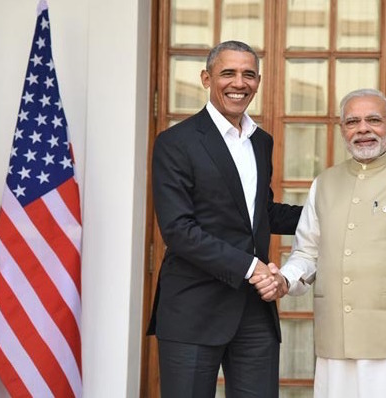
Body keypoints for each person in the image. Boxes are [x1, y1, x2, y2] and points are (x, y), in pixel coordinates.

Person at [252, 88, 386, 397]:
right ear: (342, 129)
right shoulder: (324, 183)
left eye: (374, 120)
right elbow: (307, 253)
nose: (363, 129)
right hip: (336, 349)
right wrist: (285, 280)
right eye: (352, 122)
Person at [147, 40, 302, 397]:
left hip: (254, 313)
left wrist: (330, 212)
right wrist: (253, 268)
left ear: (259, 82)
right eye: (228, 73)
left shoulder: (261, 142)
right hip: (192, 310)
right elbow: (179, 230)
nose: (239, 83)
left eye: (248, 75)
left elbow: (260, 213)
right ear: (206, 78)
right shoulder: (176, 142)